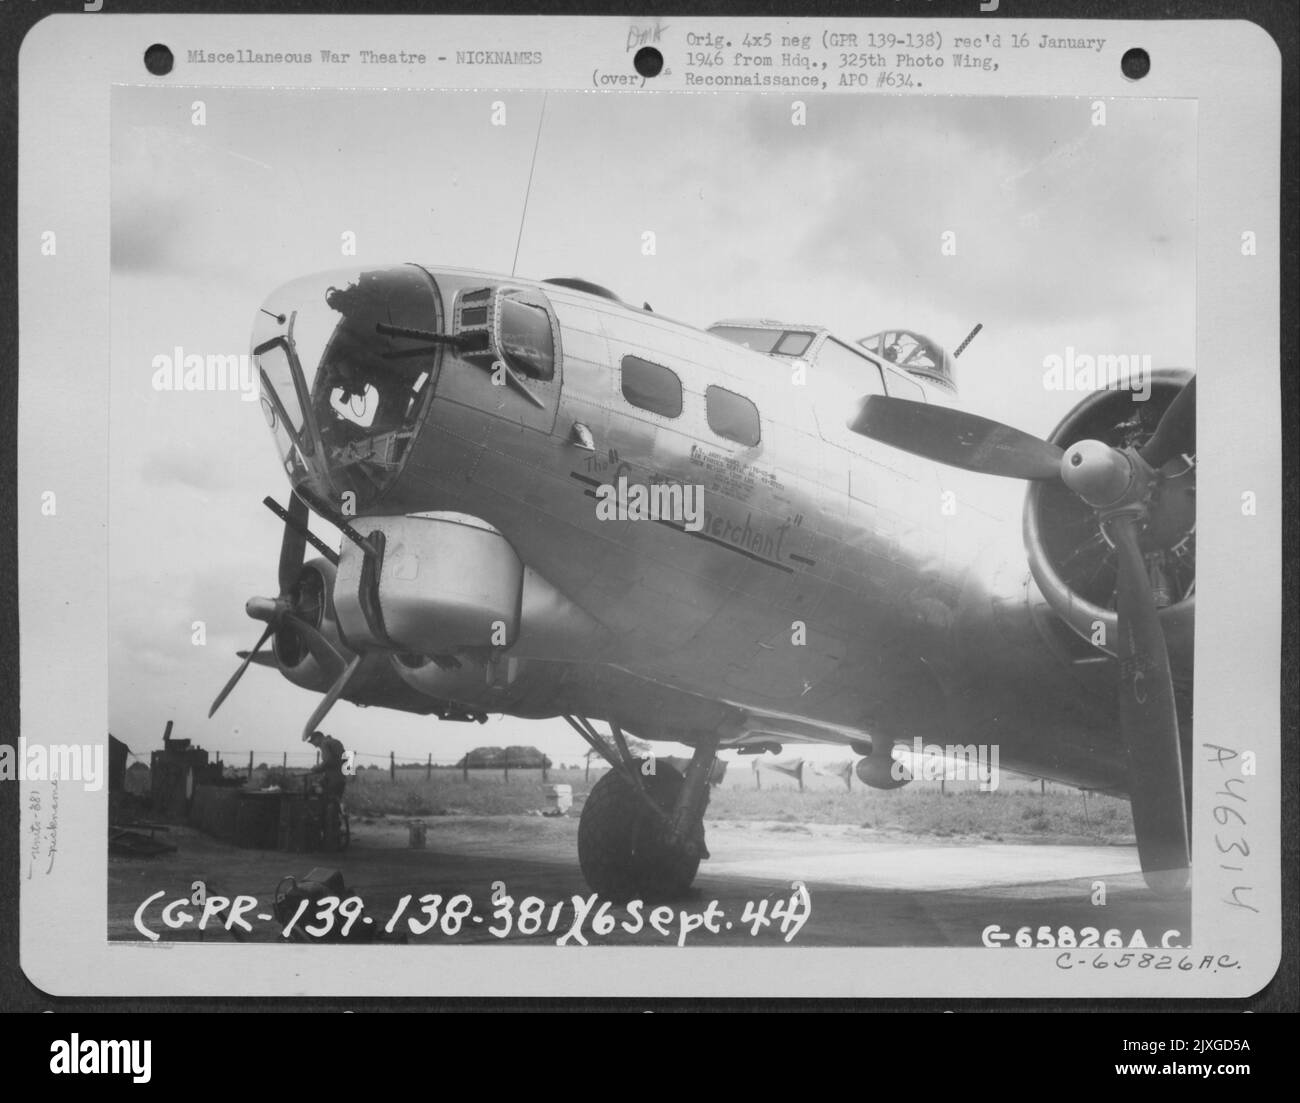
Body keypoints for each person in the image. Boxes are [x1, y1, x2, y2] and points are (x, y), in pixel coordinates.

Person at [307, 730, 347, 800]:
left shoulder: (324, 743)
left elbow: (328, 761)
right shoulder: (336, 742)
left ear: (318, 738)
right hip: (341, 779)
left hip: (332, 780)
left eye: (313, 742)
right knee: (335, 802)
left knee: (312, 792)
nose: (315, 746)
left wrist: (317, 768)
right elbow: (344, 759)